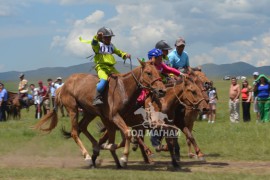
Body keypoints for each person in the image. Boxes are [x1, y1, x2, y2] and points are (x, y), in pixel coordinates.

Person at [80, 27, 131, 105]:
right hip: (101, 67)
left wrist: (125, 55)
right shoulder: (98, 45)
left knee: (121, 79)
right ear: (102, 38)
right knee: (104, 80)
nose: (109, 39)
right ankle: (96, 98)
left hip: (111, 68)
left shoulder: (111, 46)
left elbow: (118, 52)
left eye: (110, 37)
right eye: (107, 37)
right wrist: (96, 37)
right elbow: (94, 43)